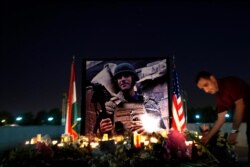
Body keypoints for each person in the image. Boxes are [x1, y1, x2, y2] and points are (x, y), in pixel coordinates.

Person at [98, 62, 166, 136]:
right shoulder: (110, 106)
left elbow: (162, 131)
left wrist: (150, 130)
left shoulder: (148, 103)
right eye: (119, 77)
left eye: (126, 76)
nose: (122, 79)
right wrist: (101, 130)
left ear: (133, 78)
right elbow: (94, 135)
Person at [195, 71, 250, 159]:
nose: (206, 90)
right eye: (202, 89)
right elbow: (220, 119)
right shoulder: (220, 97)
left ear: (212, 78)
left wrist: (234, 132)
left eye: (206, 85)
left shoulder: (230, 83)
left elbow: (240, 106)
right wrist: (208, 137)